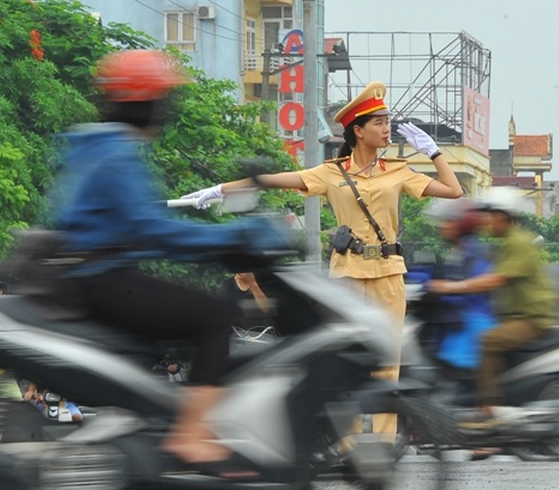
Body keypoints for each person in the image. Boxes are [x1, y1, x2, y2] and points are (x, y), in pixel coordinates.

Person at [182, 81, 462, 436]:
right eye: (378, 122)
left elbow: (454, 191)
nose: (386, 128)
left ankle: (383, 447)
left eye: (387, 121)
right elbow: (276, 180)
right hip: (346, 273)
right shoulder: (332, 172)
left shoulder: (398, 170)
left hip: (389, 274)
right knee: (343, 360)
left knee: (388, 361)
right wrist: (222, 189)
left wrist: (434, 152)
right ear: (358, 131)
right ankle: (343, 447)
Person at [50, 50, 287, 466]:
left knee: (173, 309)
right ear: (145, 104)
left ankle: (152, 422)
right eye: (162, 102)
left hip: (87, 276)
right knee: (212, 318)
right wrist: (234, 238)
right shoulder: (119, 154)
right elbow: (153, 230)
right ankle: (190, 435)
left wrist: (213, 246)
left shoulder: (93, 145)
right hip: (104, 279)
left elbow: (142, 230)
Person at [425, 187, 559, 423]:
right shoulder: (504, 243)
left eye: (491, 215)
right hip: (514, 315)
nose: (486, 221)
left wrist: (450, 287)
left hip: (532, 318)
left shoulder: (517, 242)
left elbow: (496, 279)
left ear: (504, 216)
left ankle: (491, 410)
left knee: (487, 341)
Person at [421, 197, 495, 369]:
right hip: (457, 319)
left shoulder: (477, 253)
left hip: (474, 321)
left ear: (463, 224)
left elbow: (476, 287)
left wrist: (445, 287)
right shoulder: (457, 252)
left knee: (450, 362)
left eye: (448, 221)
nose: (442, 226)